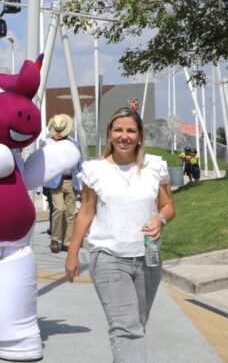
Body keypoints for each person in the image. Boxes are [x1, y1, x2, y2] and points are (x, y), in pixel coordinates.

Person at [66, 107, 176, 363]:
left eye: (130, 130)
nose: (124, 136)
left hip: (148, 258)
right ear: (109, 134)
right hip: (108, 257)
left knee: (136, 325)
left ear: (139, 136)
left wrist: (160, 219)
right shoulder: (95, 170)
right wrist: (72, 254)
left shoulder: (155, 167)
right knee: (126, 328)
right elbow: (86, 212)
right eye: (118, 130)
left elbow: (168, 206)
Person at [43, 114, 82, 253]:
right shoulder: (47, 143)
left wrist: (81, 184)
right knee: (58, 209)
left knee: (70, 213)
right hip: (55, 182)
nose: (59, 133)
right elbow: (42, 164)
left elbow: (79, 164)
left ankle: (67, 242)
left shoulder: (74, 143)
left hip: (71, 181)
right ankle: (55, 238)